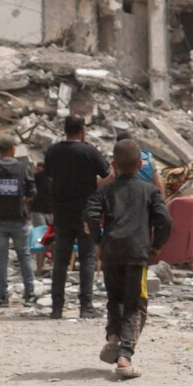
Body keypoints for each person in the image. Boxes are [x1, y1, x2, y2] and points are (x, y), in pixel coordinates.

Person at [85, 138, 171, 380]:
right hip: (137, 255)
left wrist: (99, 241)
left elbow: (90, 215)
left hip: (111, 252)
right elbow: (165, 220)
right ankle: (124, 357)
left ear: (113, 164)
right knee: (135, 305)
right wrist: (156, 246)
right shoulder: (150, 191)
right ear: (140, 165)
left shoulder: (104, 192)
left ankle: (113, 337)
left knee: (115, 299)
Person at [44, 115, 111, 319]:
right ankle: (85, 306)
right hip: (86, 213)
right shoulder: (89, 152)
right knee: (87, 257)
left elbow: (49, 176)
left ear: (64, 129)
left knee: (61, 260)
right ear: (82, 130)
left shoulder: (53, 151)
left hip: (62, 212)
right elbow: (107, 174)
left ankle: (57, 307)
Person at [0, 134, 37, 308]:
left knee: (0, 258)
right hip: (19, 219)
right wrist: (23, 200)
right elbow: (32, 191)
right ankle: (30, 294)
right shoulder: (22, 167)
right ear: (13, 149)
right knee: (24, 256)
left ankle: (3, 296)